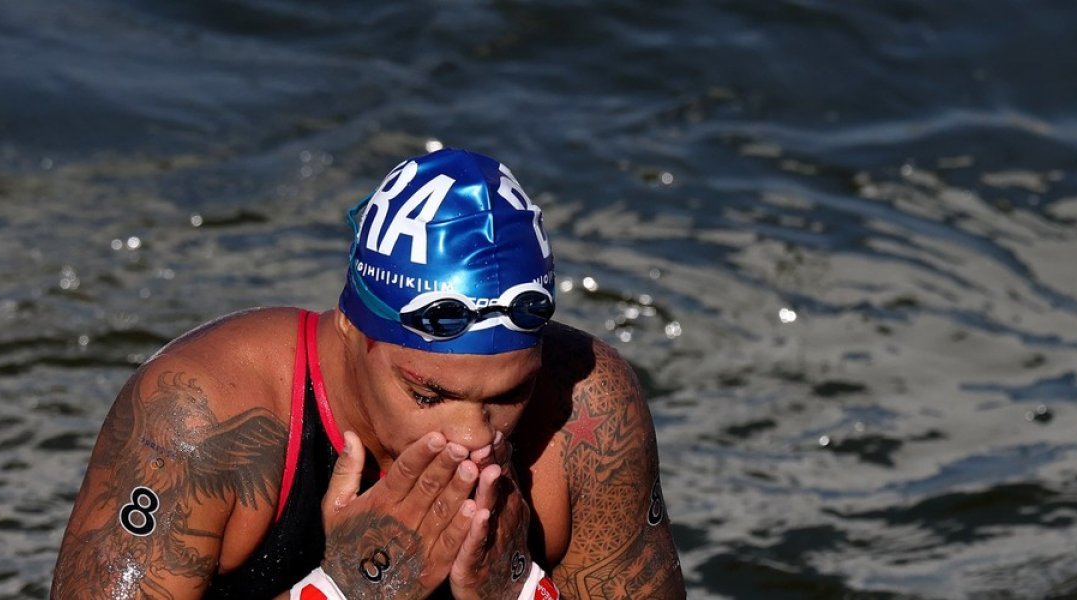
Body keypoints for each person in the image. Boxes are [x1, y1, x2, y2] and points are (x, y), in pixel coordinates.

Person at [51, 148, 685, 599]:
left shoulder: (586, 408)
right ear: (351, 327)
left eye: (510, 394)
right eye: (428, 393)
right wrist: (348, 587)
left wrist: (517, 587)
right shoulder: (202, 415)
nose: (471, 439)